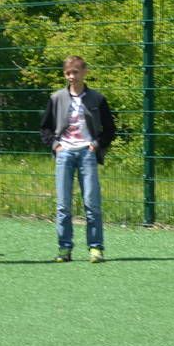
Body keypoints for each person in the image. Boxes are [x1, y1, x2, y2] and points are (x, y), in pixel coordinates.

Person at [39, 56, 117, 263]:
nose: (72, 76)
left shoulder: (97, 99)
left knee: (92, 203)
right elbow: (45, 127)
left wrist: (96, 144)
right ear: (65, 75)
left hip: (87, 153)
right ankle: (64, 248)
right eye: (68, 73)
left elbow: (110, 129)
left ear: (85, 72)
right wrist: (55, 145)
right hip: (64, 154)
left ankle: (95, 247)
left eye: (76, 72)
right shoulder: (56, 98)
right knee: (63, 205)